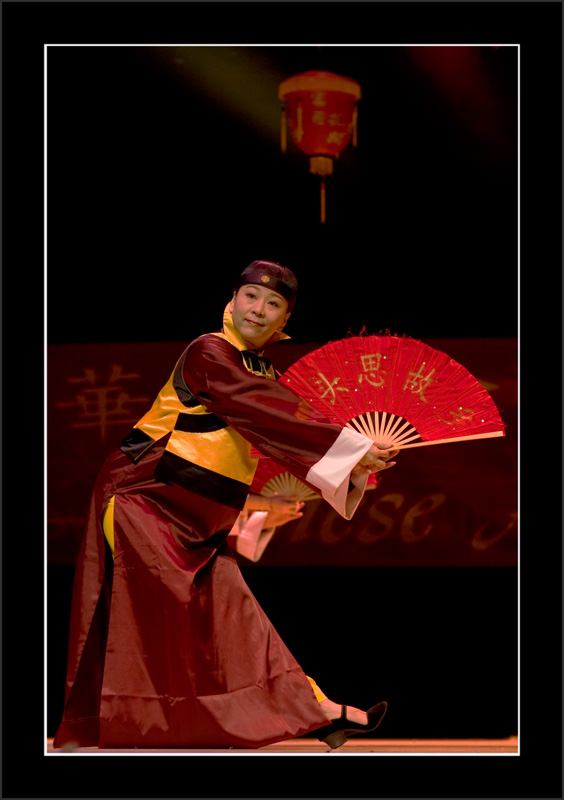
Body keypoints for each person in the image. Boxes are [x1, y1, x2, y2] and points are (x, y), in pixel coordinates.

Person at [53, 260, 397, 751]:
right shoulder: (209, 352)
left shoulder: (262, 372)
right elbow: (257, 409)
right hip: (143, 496)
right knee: (166, 617)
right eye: (251, 297)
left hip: (193, 508)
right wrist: (350, 447)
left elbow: (259, 437)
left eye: (273, 304)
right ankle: (109, 727)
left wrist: (275, 498)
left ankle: (313, 709)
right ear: (231, 302)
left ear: (283, 325)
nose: (259, 309)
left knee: (233, 611)